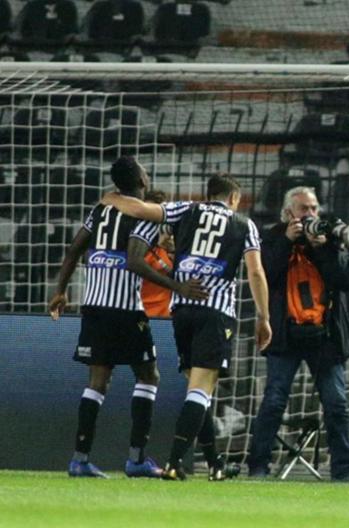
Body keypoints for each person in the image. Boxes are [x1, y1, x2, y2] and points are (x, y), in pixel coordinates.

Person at [101, 174, 272, 480]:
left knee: (197, 388)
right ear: (234, 199)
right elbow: (256, 272)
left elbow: (141, 210)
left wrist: (112, 198)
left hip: (181, 311)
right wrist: (264, 317)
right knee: (201, 391)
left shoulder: (186, 210)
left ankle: (214, 464)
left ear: (209, 194)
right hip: (215, 311)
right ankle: (174, 462)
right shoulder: (244, 224)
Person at [48, 156, 206, 479]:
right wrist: (178, 286)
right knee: (149, 376)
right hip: (124, 309)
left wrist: (60, 291)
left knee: (97, 382)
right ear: (142, 180)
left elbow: (74, 249)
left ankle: (79, 459)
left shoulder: (100, 210)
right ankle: (136, 459)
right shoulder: (142, 214)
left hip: (93, 306)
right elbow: (134, 261)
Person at [246, 186, 349, 480]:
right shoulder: (272, 237)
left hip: (325, 335)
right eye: (303, 209)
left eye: (313, 208)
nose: (310, 214)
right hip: (285, 334)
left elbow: (348, 279)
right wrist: (287, 241)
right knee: (274, 401)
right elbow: (265, 275)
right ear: (288, 213)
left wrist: (323, 247)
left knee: (336, 404)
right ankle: (258, 467)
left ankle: (344, 471)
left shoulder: (330, 237)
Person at [140, 190, 175, 318]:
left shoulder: (171, 245)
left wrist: (174, 251)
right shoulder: (133, 245)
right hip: (135, 313)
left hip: (163, 317)